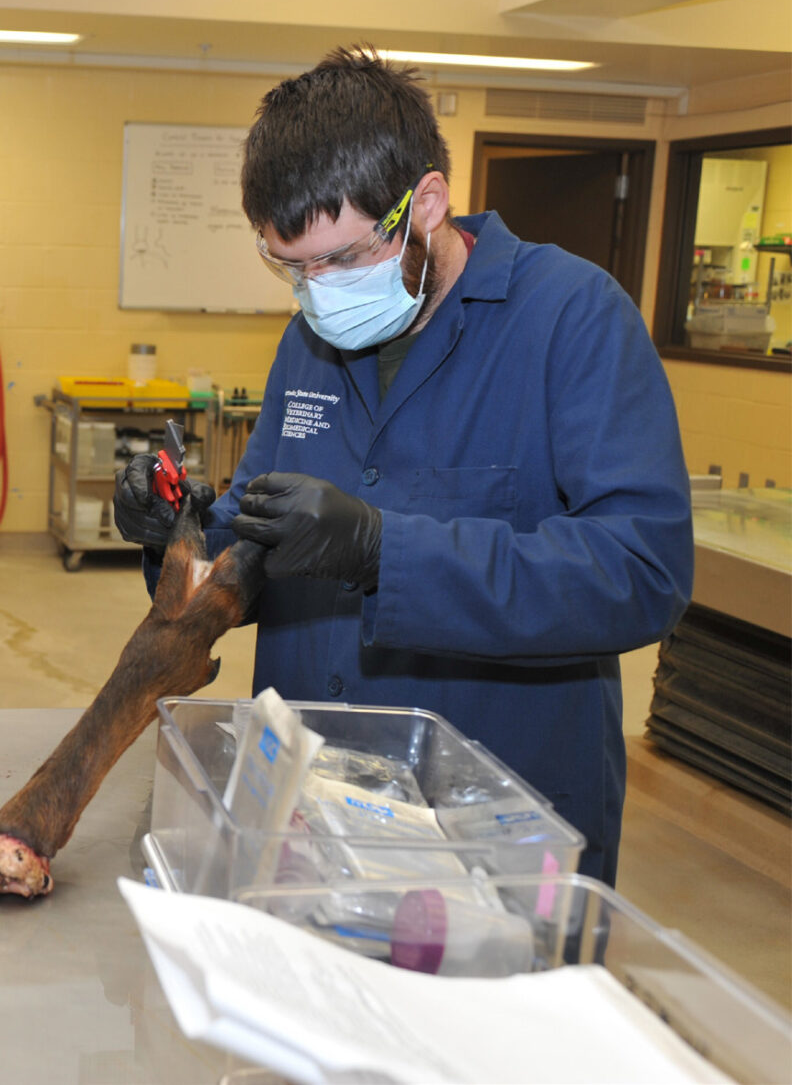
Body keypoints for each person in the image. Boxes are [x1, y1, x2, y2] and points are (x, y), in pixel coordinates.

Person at [114, 45, 694, 886]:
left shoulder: (573, 320)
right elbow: (254, 535)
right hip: (307, 809)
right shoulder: (309, 339)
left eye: (344, 259)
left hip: (490, 827)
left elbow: (641, 569)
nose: (319, 291)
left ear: (426, 203)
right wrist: (177, 534)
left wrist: (387, 553)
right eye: (294, 267)